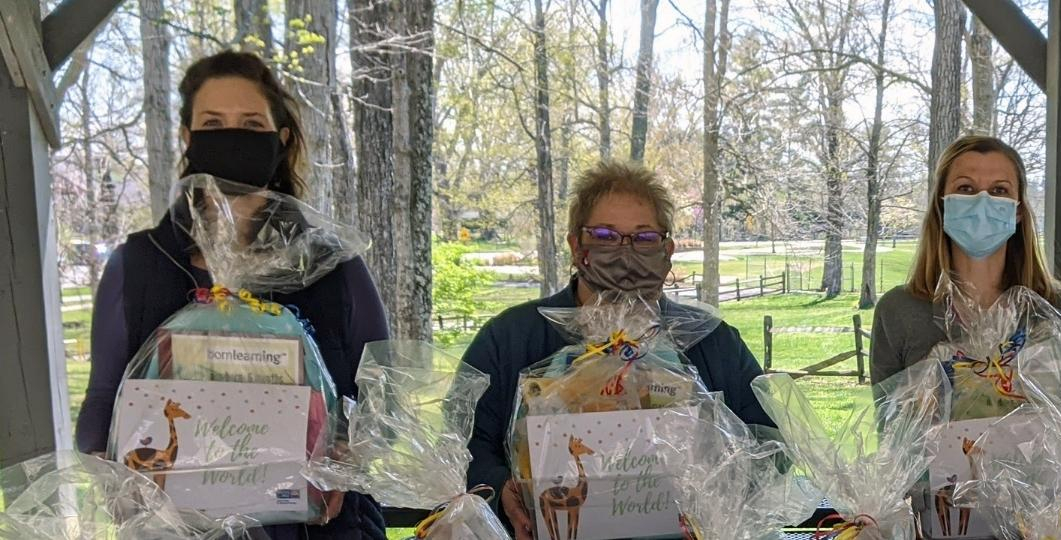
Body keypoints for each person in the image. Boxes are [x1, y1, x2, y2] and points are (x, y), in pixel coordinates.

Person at [75, 51, 389, 539]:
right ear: (188, 137)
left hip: (319, 528)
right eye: (213, 123)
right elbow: (101, 404)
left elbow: (378, 397)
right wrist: (113, 474)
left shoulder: (334, 265)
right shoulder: (138, 265)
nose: (232, 136)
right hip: (175, 528)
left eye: (250, 123)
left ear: (280, 138)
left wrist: (348, 465)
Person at [463, 160, 774, 538]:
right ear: (577, 246)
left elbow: (769, 442)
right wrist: (499, 492)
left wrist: (722, 499)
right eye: (606, 235)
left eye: (644, 238)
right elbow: (466, 441)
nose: (625, 252)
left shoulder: (712, 341)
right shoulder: (511, 337)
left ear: (668, 250)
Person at [869, 135, 1061, 389]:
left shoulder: (1059, 310)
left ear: (1017, 211)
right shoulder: (899, 312)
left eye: (999, 190)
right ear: (943, 205)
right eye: (966, 188)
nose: (983, 201)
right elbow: (890, 422)